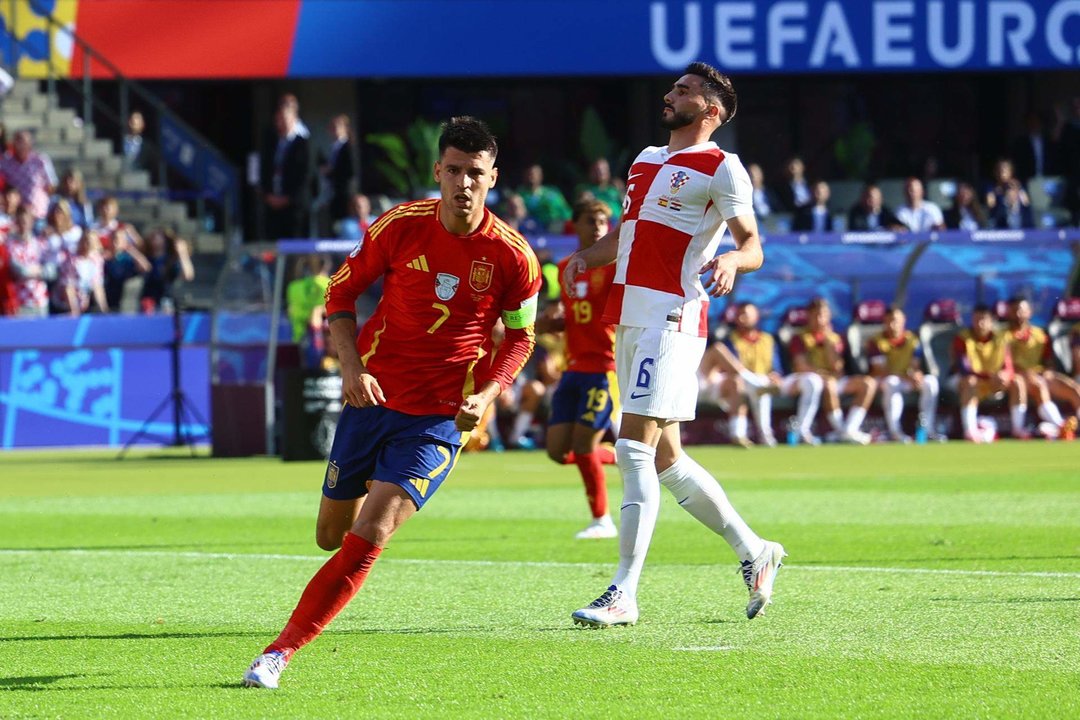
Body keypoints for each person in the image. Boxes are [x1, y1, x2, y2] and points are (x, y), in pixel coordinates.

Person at [242, 117, 541, 689]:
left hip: (437, 419)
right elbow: (341, 292)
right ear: (438, 171)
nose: (463, 183)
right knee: (331, 535)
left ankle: (279, 652)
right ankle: (352, 541)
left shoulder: (514, 257)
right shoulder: (400, 225)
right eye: (453, 170)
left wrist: (488, 391)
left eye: (475, 174)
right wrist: (351, 369)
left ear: (493, 178)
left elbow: (522, 336)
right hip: (371, 399)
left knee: (372, 534)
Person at [563, 62, 783, 629]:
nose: (671, 94)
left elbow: (754, 244)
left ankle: (624, 592)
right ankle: (755, 550)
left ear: (711, 110)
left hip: (672, 316)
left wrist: (734, 259)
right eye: (673, 87)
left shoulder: (723, 167)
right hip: (631, 317)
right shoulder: (644, 160)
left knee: (632, 447)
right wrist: (589, 256)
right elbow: (628, 234)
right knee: (666, 459)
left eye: (684, 91)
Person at [543, 199, 619, 539]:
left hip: (606, 367)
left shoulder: (617, 265)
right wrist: (550, 323)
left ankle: (602, 520)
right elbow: (574, 315)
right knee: (558, 451)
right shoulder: (565, 267)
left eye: (603, 220)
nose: (599, 226)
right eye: (591, 220)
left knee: (584, 445)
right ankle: (623, 458)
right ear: (576, 226)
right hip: (573, 367)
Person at [723, 301, 824, 446]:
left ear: (756, 316)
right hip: (747, 383)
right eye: (739, 315)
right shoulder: (730, 340)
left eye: (746, 314)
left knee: (813, 381)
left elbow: (777, 365)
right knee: (761, 384)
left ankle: (803, 431)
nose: (742, 318)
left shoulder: (768, 338)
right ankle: (766, 436)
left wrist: (776, 374)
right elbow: (734, 368)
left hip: (773, 382)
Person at [788, 297, 877, 444]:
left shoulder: (835, 338)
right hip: (814, 381)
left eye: (823, 315)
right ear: (808, 316)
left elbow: (837, 367)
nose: (819, 319)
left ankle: (850, 429)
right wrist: (822, 375)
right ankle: (842, 431)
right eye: (815, 315)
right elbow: (800, 366)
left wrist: (829, 344)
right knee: (829, 384)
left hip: (834, 379)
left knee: (868, 384)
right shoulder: (799, 338)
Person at [950, 304, 1028, 442]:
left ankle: (1018, 428)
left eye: (984, 320)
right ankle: (970, 431)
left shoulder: (1001, 338)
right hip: (963, 380)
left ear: (991, 321)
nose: (980, 323)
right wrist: (990, 377)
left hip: (993, 380)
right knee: (970, 382)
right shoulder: (962, 338)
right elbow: (964, 369)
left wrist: (1004, 375)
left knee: (1017, 381)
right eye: (976, 320)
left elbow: (1008, 366)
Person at [1004, 297, 1079, 439]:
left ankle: (1068, 428)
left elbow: (1048, 360)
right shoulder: (1003, 336)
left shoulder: (1040, 335)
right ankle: (1060, 425)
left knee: (1074, 389)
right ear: (1009, 313)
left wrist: (1049, 371)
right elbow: (1004, 363)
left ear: (1029, 312)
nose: (1018, 314)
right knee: (1038, 385)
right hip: (1016, 378)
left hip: (1039, 374)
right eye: (1014, 310)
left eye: (1022, 310)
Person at [866, 307, 940, 443]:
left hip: (906, 380)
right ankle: (895, 432)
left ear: (904, 321)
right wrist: (906, 377)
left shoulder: (912, 340)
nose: (893, 325)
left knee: (931, 382)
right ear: (884, 322)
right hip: (885, 381)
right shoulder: (876, 341)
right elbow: (880, 371)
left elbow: (914, 365)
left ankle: (928, 429)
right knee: (891, 382)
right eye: (889, 321)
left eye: (896, 321)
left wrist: (916, 375)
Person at [260, 104, 311, 240]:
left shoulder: (301, 143)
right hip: (273, 203)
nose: (280, 123)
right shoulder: (271, 143)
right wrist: (268, 195)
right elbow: (264, 170)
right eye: (278, 120)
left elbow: (304, 174)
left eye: (284, 119)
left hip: (293, 206)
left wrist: (288, 198)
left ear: (293, 119)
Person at [0, 130, 57, 220]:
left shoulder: (40, 161)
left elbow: (51, 185)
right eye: (18, 141)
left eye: (24, 142)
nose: (21, 146)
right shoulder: (5, 163)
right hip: (16, 217)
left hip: (39, 215)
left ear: (30, 144)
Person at [51, 230, 107, 316]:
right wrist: (74, 311)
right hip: (65, 305)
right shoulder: (72, 259)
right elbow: (68, 287)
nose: (88, 244)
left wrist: (104, 310)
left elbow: (97, 285)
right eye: (86, 241)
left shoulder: (97, 260)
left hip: (84, 303)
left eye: (92, 242)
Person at [139, 228, 194, 313]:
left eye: (158, 236)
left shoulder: (171, 260)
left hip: (166, 299)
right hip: (148, 299)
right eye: (153, 236)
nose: (154, 238)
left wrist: (182, 253)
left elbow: (188, 275)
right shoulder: (147, 258)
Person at [320, 114, 356, 228]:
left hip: (343, 192)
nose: (335, 130)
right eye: (333, 127)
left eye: (338, 127)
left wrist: (331, 171)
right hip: (333, 191)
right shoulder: (333, 147)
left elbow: (349, 171)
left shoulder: (347, 147)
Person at [518, 163, 572, 233]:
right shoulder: (520, 194)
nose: (531, 177)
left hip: (554, 227)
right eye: (529, 174)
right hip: (529, 227)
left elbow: (565, 212)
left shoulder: (552, 193)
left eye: (534, 174)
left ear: (541, 176)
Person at [575, 157, 623, 221]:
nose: (600, 172)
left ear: (608, 172)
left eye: (603, 170)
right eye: (596, 170)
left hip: (621, 223)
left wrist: (622, 191)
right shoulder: (584, 189)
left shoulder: (614, 188)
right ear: (590, 172)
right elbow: (579, 208)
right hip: (601, 223)